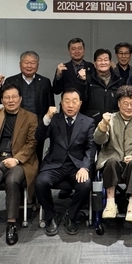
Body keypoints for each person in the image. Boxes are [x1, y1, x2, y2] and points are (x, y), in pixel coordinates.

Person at [0, 84, 38, 246]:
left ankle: (11, 224)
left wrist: (16, 159)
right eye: (7, 97)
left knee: (12, 181)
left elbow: (32, 143)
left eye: (14, 97)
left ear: (20, 99)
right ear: (2, 100)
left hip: (19, 161)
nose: (11, 100)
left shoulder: (30, 117)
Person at [35, 88, 97, 236]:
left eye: (74, 101)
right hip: (54, 164)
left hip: (76, 166)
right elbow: (39, 137)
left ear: (80, 103)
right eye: (67, 101)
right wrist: (46, 118)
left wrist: (85, 168)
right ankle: (50, 216)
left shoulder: (88, 122)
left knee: (85, 184)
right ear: (61, 103)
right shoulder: (54, 119)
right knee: (40, 183)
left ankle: (71, 215)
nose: (70, 105)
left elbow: (91, 148)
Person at [94, 85, 132, 222]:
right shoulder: (110, 119)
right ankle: (110, 203)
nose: (129, 107)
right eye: (125, 103)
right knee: (111, 161)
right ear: (119, 104)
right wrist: (103, 126)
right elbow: (98, 140)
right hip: (113, 162)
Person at [0, 51, 54, 162]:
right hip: (16, 125)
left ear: (37, 65)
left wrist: (47, 125)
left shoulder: (45, 82)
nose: (29, 66)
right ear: (20, 64)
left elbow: (50, 105)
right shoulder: (11, 80)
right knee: (15, 154)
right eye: (26, 62)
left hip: (38, 125)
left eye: (32, 63)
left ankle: (35, 173)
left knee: (36, 156)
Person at [77, 48, 124, 124]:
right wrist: (82, 82)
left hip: (114, 122)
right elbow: (82, 100)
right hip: (92, 122)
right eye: (100, 60)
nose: (103, 62)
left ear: (110, 63)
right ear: (95, 64)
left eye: (106, 60)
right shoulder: (87, 79)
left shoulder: (118, 80)